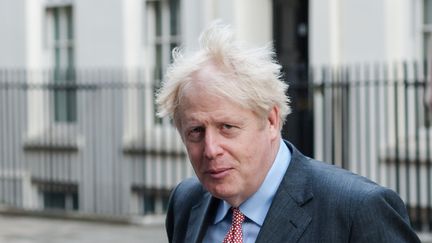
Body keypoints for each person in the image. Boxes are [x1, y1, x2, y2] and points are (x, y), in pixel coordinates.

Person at [156, 23, 420, 243]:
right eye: (196, 131)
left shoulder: (358, 210)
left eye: (227, 128)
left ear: (271, 120)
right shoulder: (186, 201)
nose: (211, 149)